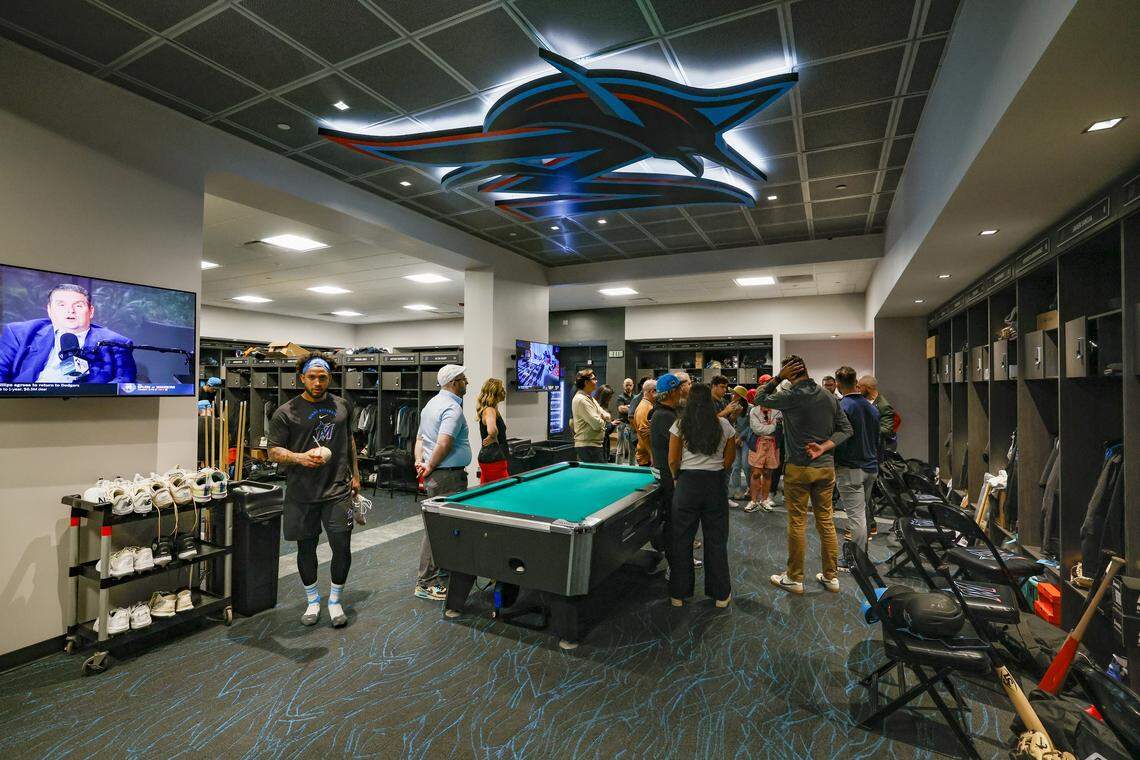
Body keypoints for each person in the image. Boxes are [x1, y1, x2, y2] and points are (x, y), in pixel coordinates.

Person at [267, 354, 360, 628]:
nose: (317, 382)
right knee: (306, 547)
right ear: (302, 378)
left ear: (329, 377)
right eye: (312, 377)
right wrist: (299, 458)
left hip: (338, 491)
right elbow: (272, 450)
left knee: (341, 546)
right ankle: (312, 600)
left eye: (323, 377)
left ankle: (334, 600)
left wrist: (355, 474)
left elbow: (350, 439)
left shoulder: (342, 405)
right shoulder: (286, 412)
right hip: (302, 493)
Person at [755, 355, 852, 595]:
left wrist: (778, 378)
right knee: (826, 522)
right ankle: (831, 577)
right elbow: (847, 429)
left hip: (798, 468)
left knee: (797, 522)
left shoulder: (790, 396)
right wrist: (824, 446)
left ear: (789, 371)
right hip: (825, 467)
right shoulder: (829, 395)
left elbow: (758, 398)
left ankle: (794, 578)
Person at [667, 383, 735, 608]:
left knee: (681, 540)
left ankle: (679, 593)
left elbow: (673, 460)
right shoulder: (724, 425)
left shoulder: (680, 424)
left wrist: (678, 478)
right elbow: (729, 459)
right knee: (716, 539)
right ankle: (720, 595)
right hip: (714, 484)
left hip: (687, 483)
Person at [0, 283, 136, 384]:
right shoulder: (19, 333)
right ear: (49, 310)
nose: (70, 311)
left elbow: (124, 382)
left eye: (78, 305)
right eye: (61, 305)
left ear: (91, 311)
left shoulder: (116, 343)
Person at [414, 364, 472, 600]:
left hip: (439, 474)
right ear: (454, 382)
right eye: (464, 379)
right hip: (447, 476)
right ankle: (426, 582)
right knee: (437, 529)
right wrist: (430, 465)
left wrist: (420, 461)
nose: (467, 382)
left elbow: (419, 438)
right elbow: (444, 443)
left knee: (441, 527)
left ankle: (442, 573)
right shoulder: (451, 408)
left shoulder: (431, 405)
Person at [834, 367, 880, 570]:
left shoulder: (843, 407)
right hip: (871, 467)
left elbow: (839, 439)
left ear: (837, 384)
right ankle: (862, 557)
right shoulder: (872, 407)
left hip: (851, 468)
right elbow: (878, 439)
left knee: (857, 518)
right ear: (856, 382)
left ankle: (857, 561)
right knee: (862, 514)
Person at [648, 374, 683, 564]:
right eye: (679, 388)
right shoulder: (664, 415)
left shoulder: (665, 412)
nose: (682, 391)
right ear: (673, 392)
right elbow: (677, 449)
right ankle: (673, 562)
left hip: (668, 472)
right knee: (673, 518)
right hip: (669, 475)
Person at [858, 374, 896, 539]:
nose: (857, 390)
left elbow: (888, 430)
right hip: (863, 454)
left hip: (873, 455)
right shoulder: (864, 403)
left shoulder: (883, 406)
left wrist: (866, 430)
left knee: (866, 494)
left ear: (867, 388)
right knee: (864, 494)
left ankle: (867, 526)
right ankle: (868, 524)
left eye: (860, 387)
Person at [745, 400, 782, 513]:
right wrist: (772, 427)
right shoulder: (754, 411)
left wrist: (767, 429)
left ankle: (764, 500)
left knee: (768, 473)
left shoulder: (778, 411)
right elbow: (757, 429)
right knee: (756, 473)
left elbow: (779, 428)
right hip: (758, 444)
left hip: (773, 444)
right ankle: (753, 501)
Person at [571, 368, 610, 462]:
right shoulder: (581, 400)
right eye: (593, 379)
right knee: (596, 476)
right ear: (586, 382)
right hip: (587, 447)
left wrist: (603, 417)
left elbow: (607, 415)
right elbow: (597, 424)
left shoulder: (589, 398)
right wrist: (602, 418)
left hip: (593, 446)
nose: (596, 381)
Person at [475, 378, 509, 484]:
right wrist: (493, 436)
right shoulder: (490, 410)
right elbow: (492, 429)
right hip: (495, 458)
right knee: (503, 489)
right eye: (502, 389)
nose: (504, 391)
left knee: (486, 488)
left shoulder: (487, 410)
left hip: (489, 457)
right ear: (495, 393)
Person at [727, 385, 751, 501]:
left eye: (734, 394)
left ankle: (751, 488)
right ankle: (737, 490)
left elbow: (751, 426)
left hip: (746, 440)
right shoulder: (730, 408)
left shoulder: (750, 409)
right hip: (734, 439)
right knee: (735, 466)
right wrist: (735, 437)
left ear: (740, 397)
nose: (732, 396)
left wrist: (741, 437)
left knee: (746, 465)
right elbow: (729, 423)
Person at [633, 378, 656, 465]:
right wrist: (652, 454)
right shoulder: (644, 407)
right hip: (647, 458)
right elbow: (644, 432)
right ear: (652, 391)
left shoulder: (649, 405)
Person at [616, 377, 636, 465]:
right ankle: (618, 467)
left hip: (632, 425)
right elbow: (621, 409)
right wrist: (632, 408)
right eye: (626, 385)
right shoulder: (620, 397)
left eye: (630, 385)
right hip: (622, 424)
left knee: (632, 449)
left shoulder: (635, 397)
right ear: (623, 386)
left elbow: (637, 409)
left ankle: (632, 467)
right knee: (620, 449)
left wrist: (627, 406)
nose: (628, 387)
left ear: (633, 386)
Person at [596, 383, 616, 462]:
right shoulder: (598, 409)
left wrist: (612, 424)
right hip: (599, 444)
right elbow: (601, 429)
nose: (610, 400)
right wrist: (612, 424)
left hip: (605, 443)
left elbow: (607, 431)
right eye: (609, 397)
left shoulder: (604, 409)